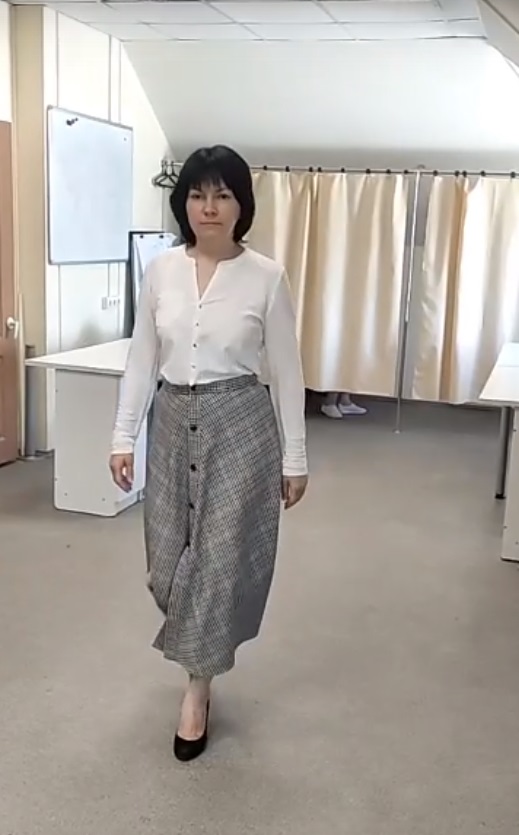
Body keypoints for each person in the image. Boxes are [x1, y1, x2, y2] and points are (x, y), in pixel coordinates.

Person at [109, 146, 308, 762]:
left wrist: (295, 457)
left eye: (223, 195)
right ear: (184, 203)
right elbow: (142, 358)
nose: (209, 207)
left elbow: (289, 371)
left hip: (240, 424)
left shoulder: (266, 276)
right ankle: (199, 651)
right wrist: (123, 436)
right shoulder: (161, 271)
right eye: (198, 194)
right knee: (167, 565)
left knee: (218, 564)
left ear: (241, 204)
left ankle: (196, 692)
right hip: (173, 420)